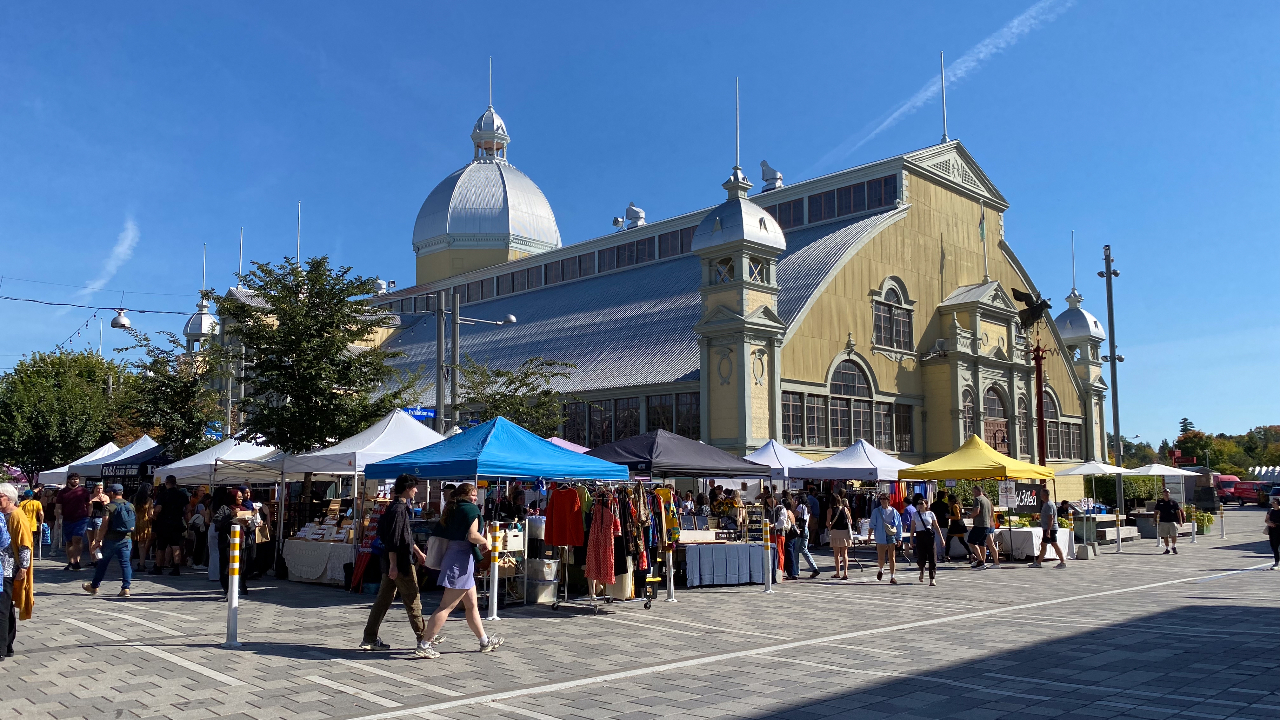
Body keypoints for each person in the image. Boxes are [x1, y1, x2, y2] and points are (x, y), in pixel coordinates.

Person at [419, 482, 504, 658]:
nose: (475, 497)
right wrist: (486, 541)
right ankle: (425, 644)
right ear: (464, 495)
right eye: (472, 494)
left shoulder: (453, 508)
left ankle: (484, 641)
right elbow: (472, 536)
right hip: (461, 563)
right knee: (445, 607)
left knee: (472, 605)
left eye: (475, 494)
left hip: (457, 559)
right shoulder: (471, 510)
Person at [361, 475, 436, 656]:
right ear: (407, 488)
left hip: (392, 562)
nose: (416, 490)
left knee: (383, 600)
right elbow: (394, 541)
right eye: (414, 487)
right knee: (413, 600)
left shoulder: (394, 507)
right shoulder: (399, 509)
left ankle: (370, 638)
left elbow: (405, 537)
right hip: (400, 563)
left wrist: (418, 552)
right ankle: (423, 640)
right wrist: (394, 564)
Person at [82, 484, 135, 598]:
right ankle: (126, 588)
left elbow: (104, 525)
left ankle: (94, 586)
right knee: (126, 564)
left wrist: (98, 540)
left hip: (111, 540)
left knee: (102, 563)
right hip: (126, 539)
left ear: (112, 493)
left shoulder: (109, 507)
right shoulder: (130, 505)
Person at [0, 482, 34, 660]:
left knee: (2, 609)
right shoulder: (2, 515)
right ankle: (7, 645)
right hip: (2, 567)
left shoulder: (17, 516)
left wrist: (23, 567)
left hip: (7, 568)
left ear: (10, 498)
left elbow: (24, 545)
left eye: (0, 496)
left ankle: (2, 648)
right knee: (6, 608)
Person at [212, 487, 251, 599]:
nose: (240, 499)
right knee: (226, 567)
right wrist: (231, 515)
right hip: (227, 541)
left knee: (241, 566)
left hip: (240, 541)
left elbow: (250, 527)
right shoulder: (225, 509)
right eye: (238, 497)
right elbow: (217, 521)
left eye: (241, 497)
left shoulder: (244, 509)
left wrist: (248, 524)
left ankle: (240, 586)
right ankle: (228, 589)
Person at [152, 476, 189, 575]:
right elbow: (188, 508)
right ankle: (176, 568)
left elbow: (158, 509)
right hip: (177, 522)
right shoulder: (182, 494)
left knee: (161, 547)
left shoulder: (163, 494)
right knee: (176, 545)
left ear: (166, 482)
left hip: (163, 523)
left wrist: (154, 515)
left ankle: (158, 567)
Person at [55, 473, 91, 570]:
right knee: (69, 542)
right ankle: (70, 561)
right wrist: (58, 519)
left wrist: (89, 515)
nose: (75, 481)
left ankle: (76, 561)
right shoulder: (62, 492)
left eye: (77, 479)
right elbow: (58, 506)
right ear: (68, 480)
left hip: (81, 518)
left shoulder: (84, 491)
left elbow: (89, 503)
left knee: (77, 539)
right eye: (73, 479)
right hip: (67, 519)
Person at [868, 493, 903, 584]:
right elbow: (872, 524)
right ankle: (881, 569)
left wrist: (899, 538)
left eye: (884, 499)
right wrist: (869, 536)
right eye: (881, 499)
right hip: (880, 535)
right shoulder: (876, 511)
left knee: (892, 557)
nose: (882, 501)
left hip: (891, 534)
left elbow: (899, 525)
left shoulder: (894, 511)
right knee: (881, 558)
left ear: (888, 500)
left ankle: (892, 576)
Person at [1029, 488, 1067, 569]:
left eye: (1041, 494)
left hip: (1050, 528)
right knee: (1047, 544)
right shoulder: (1047, 504)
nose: (1040, 496)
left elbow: (1051, 518)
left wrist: (1048, 530)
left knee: (1050, 544)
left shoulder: (1049, 505)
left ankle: (1062, 562)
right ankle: (1039, 562)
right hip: (1048, 528)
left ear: (1045, 495)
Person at [911, 496, 943, 586]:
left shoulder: (930, 514)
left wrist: (941, 538)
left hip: (929, 536)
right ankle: (921, 570)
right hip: (919, 536)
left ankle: (932, 578)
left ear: (926, 504)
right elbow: (913, 527)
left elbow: (936, 526)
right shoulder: (915, 514)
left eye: (922, 503)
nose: (920, 505)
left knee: (932, 557)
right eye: (918, 504)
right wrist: (911, 539)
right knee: (921, 557)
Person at [968, 485, 999, 569]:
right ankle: (982, 562)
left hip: (980, 524)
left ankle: (981, 560)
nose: (973, 494)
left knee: (972, 542)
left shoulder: (978, 499)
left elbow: (976, 511)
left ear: (977, 491)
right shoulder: (987, 501)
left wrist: (971, 515)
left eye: (973, 492)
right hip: (987, 525)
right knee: (982, 544)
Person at [791, 494, 820, 579]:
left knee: (796, 550)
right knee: (804, 550)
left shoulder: (800, 506)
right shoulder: (807, 508)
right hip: (806, 530)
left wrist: (794, 506)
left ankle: (795, 571)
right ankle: (814, 568)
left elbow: (794, 515)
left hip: (800, 530)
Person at [827, 497, 854, 580]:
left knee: (836, 554)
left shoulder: (830, 510)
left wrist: (830, 524)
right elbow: (850, 521)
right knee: (845, 554)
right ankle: (845, 573)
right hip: (845, 532)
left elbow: (828, 523)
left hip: (835, 533)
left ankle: (838, 572)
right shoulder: (845, 509)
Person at [84, 481, 110, 565]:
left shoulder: (105, 497)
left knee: (98, 539)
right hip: (90, 518)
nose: (99, 490)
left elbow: (108, 508)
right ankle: (93, 560)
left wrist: (103, 502)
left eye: (101, 488)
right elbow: (86, 507)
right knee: (90, 540)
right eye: (98, 488)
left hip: (100, 518)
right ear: (94, 489)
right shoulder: (90, 496)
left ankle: (98, 558)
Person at [1154, 488, 1185, 555]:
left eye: (1167, 493)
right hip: (1163, 521)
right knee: (1165, 536)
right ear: (1163, 494)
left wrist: (1180, 521)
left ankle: (1174, 546)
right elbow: (1156, 512)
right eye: (1165, 493)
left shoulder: (1173, 502)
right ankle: (1167, 548)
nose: (1166, 494)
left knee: (1174, 534)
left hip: (1172, 521)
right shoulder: (1160, 502)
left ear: (1169, 493)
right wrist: (1155, 520)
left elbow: (1178, 512)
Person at [131, 486, 153, 572]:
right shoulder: (149, 500)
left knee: (130, 545)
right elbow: (150, 514)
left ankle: (127, 563)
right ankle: (141, 564)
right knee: (142, 545)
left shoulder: (133, 498)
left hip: (133, 521)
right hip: (144, 523)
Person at [18, 491, 42, 560]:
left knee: (25, 540)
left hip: (24, 525)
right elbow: (41, 513)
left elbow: (18, 513)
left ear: (25, 496)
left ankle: (26, 553)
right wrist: (41, 521)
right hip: (33, 525)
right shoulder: (37, 503)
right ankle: (31, 552)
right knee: (32, 539)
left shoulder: (22, 503)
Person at [1265, 496, 1280, 570]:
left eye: (1274, 502)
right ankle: (1276, 562)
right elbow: (1266, 520)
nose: (1272, 503)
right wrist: (1269, 523)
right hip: (1273, 530)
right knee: (1274, 546)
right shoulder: (1270, 510)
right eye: (1272, 502)